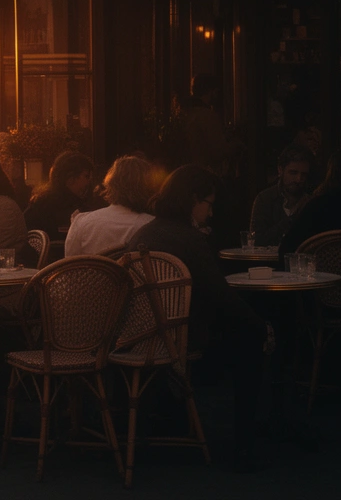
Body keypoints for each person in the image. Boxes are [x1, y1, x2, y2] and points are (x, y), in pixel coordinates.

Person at [126, 164, 269, 469]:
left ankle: (172, 413)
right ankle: (246, 442)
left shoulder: (144, 232)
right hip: (178, 339)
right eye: (209, 204)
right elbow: (220, 295)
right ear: (193, 199)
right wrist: (261, 324)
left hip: (138, 337)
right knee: (249, 337)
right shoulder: (189, 240)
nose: (211, 213)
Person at [63, 155, 157, 257]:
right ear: (149, 187)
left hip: (90, 272)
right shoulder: (151, 227)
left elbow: (69, 264)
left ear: (111, 183)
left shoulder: (81, 223)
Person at [23, 150, 100, 242]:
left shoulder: (38, 204)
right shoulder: (77, 209)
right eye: (86, 176)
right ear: (70, 177)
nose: (88, 183)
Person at [248, 145, 313, 250]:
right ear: (280, 170)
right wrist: (289, 221)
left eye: (304, 175)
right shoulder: (264, 199)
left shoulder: (310, 202)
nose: (298, 179)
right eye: (293, 173)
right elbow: (256, 241)